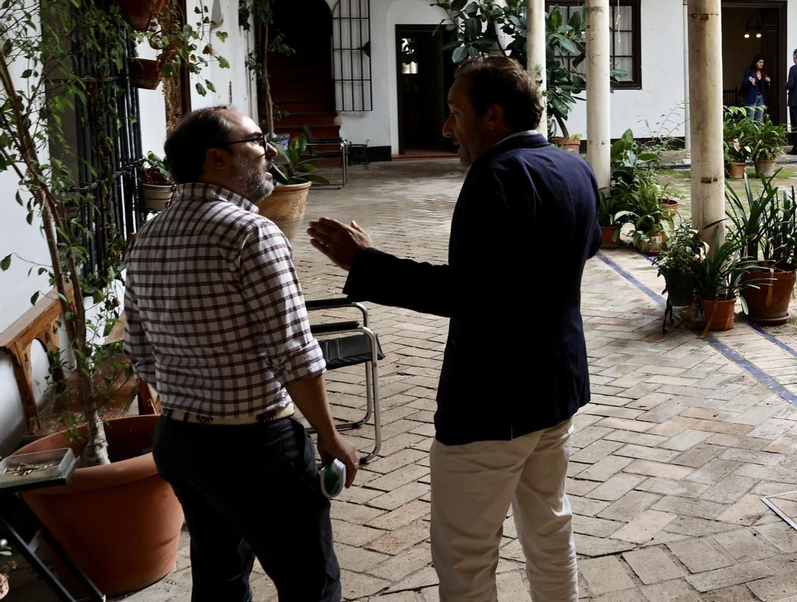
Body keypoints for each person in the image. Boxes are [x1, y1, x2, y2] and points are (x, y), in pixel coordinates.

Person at [307, 56, 599, 602]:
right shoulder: (573, 169)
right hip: (558, 387)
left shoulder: (496, 176)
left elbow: (467, 293)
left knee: (464, 558)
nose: (446, 128)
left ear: (492, 115)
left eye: (453, 112)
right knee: (550, 530)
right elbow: (584, 250)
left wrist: (365, 263)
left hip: (492, 403)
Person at [124, 105, 359, 602]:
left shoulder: (148, 235)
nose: (270, 150)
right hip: (256, 449)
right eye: (257, 141)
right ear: (216, 159)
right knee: (310, 582)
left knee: (219, 578)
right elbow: (293, 350)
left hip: (180, 442)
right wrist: (330, 434)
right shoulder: (251, 233)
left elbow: (139, 348)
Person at [738, 54, 771, 122]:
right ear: (755, 62)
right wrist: (750, 82)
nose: (761, 64)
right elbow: (744, 83)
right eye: (760, 62)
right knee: (751, 118)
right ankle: (750, 133)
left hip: (761, 97)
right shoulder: (749, 71)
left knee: (759, 119)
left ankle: (758, 132)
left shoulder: (763, 73)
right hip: (751, 97)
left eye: (762, 62)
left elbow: (764, 88)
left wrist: (768, 82)